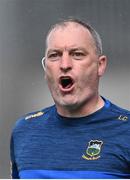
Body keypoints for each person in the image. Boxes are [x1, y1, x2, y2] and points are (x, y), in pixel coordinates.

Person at [10, 18, 130, 179]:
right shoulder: (24, 130)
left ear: (100, 65)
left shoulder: (125, 130)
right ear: (46, 68)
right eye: (54, 55)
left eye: (77, 54)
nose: (64, 64)